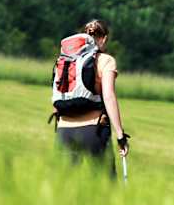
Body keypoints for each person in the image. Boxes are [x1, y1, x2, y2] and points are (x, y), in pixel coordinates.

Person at [53, 19, 130, 170]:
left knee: (63, 189)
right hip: (93, 130)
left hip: (64, 131)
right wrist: (120, 136)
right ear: (105, 38)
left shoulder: (65, 61)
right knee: (104, 188)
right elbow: (108, 96)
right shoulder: (106, 60)